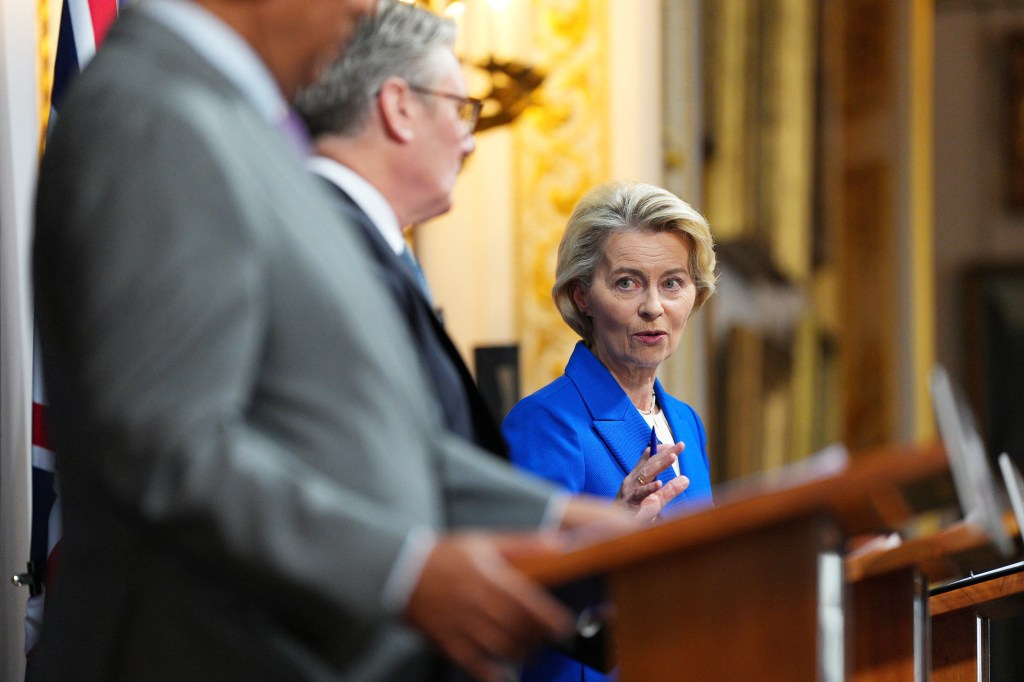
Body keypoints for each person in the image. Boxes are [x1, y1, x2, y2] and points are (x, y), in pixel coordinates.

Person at [30, 1, 630, 680]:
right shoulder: (154, 115)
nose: (367, 7)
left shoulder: (241, 125)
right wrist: (404, 572)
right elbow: (168, 448)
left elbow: (354, 434)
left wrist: (556, 519)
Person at [502, 180, 718, 682]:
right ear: (582, 296)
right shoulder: (545, 424)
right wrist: (607, 538)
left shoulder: (686, 422)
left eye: (672, 283)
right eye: (627, 282)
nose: (653, 307)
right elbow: (517, 596)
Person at [293, 0, 503, 458]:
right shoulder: (322, 252)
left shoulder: (355, 242)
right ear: (399, 107)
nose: (470, 142)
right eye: (461, 110)